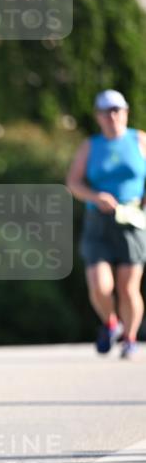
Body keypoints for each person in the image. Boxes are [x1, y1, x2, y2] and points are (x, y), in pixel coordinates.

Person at [66, 89, 146, 360]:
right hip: (98, 222)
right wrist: (94, 196)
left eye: (116, 110)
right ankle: (111, 323)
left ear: (125, 112)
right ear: (98, 116)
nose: (111, 116)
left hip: (132, 221)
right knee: (100, 287)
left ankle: (130, 338)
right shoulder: (91, 146)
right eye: (105, 111)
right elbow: (73, 183)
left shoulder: (139, 140)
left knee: (128, 287)